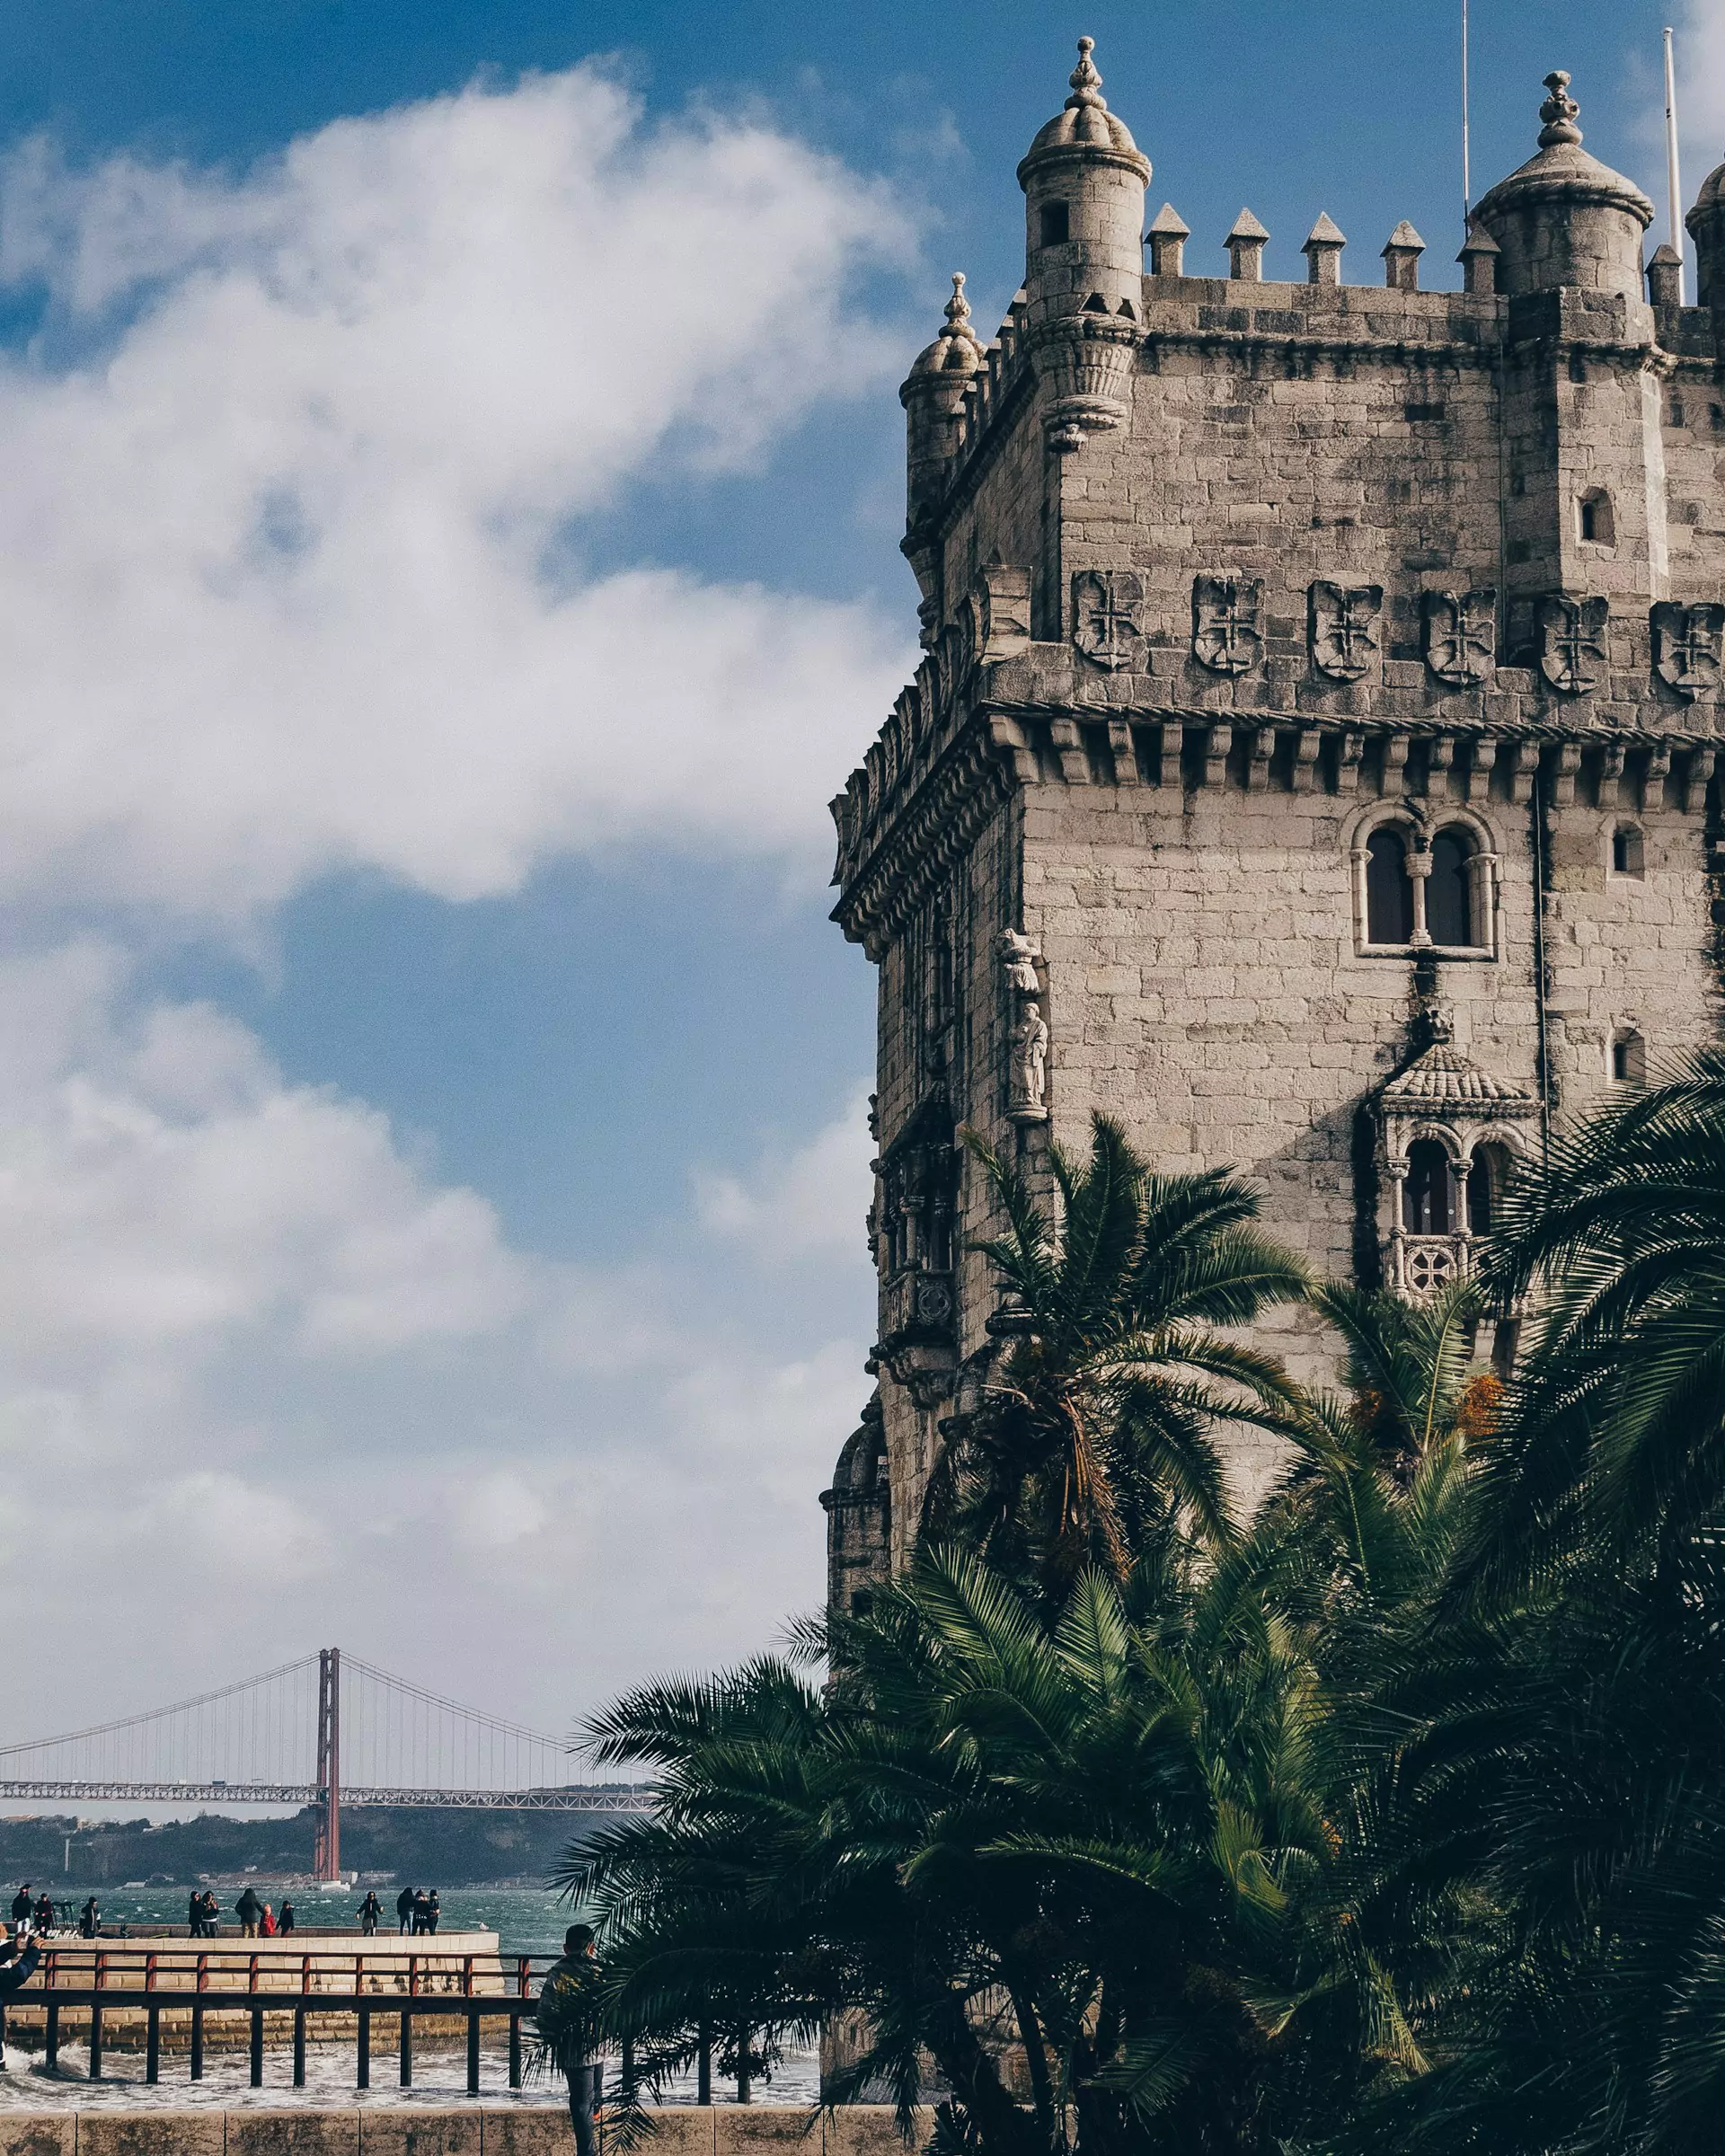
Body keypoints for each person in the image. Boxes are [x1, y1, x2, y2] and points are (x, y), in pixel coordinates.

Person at [538, 1923, 602, 2156]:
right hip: (599, 2044)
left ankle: (587, 2153)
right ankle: (594, 2127)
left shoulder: (559, 1972)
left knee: (581, 2103)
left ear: (565, 1948)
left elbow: (546, 2010)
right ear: (592, 1948)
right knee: (592, 2095)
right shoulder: (599, 1970)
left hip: (573, 2047)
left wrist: (551, 2039)